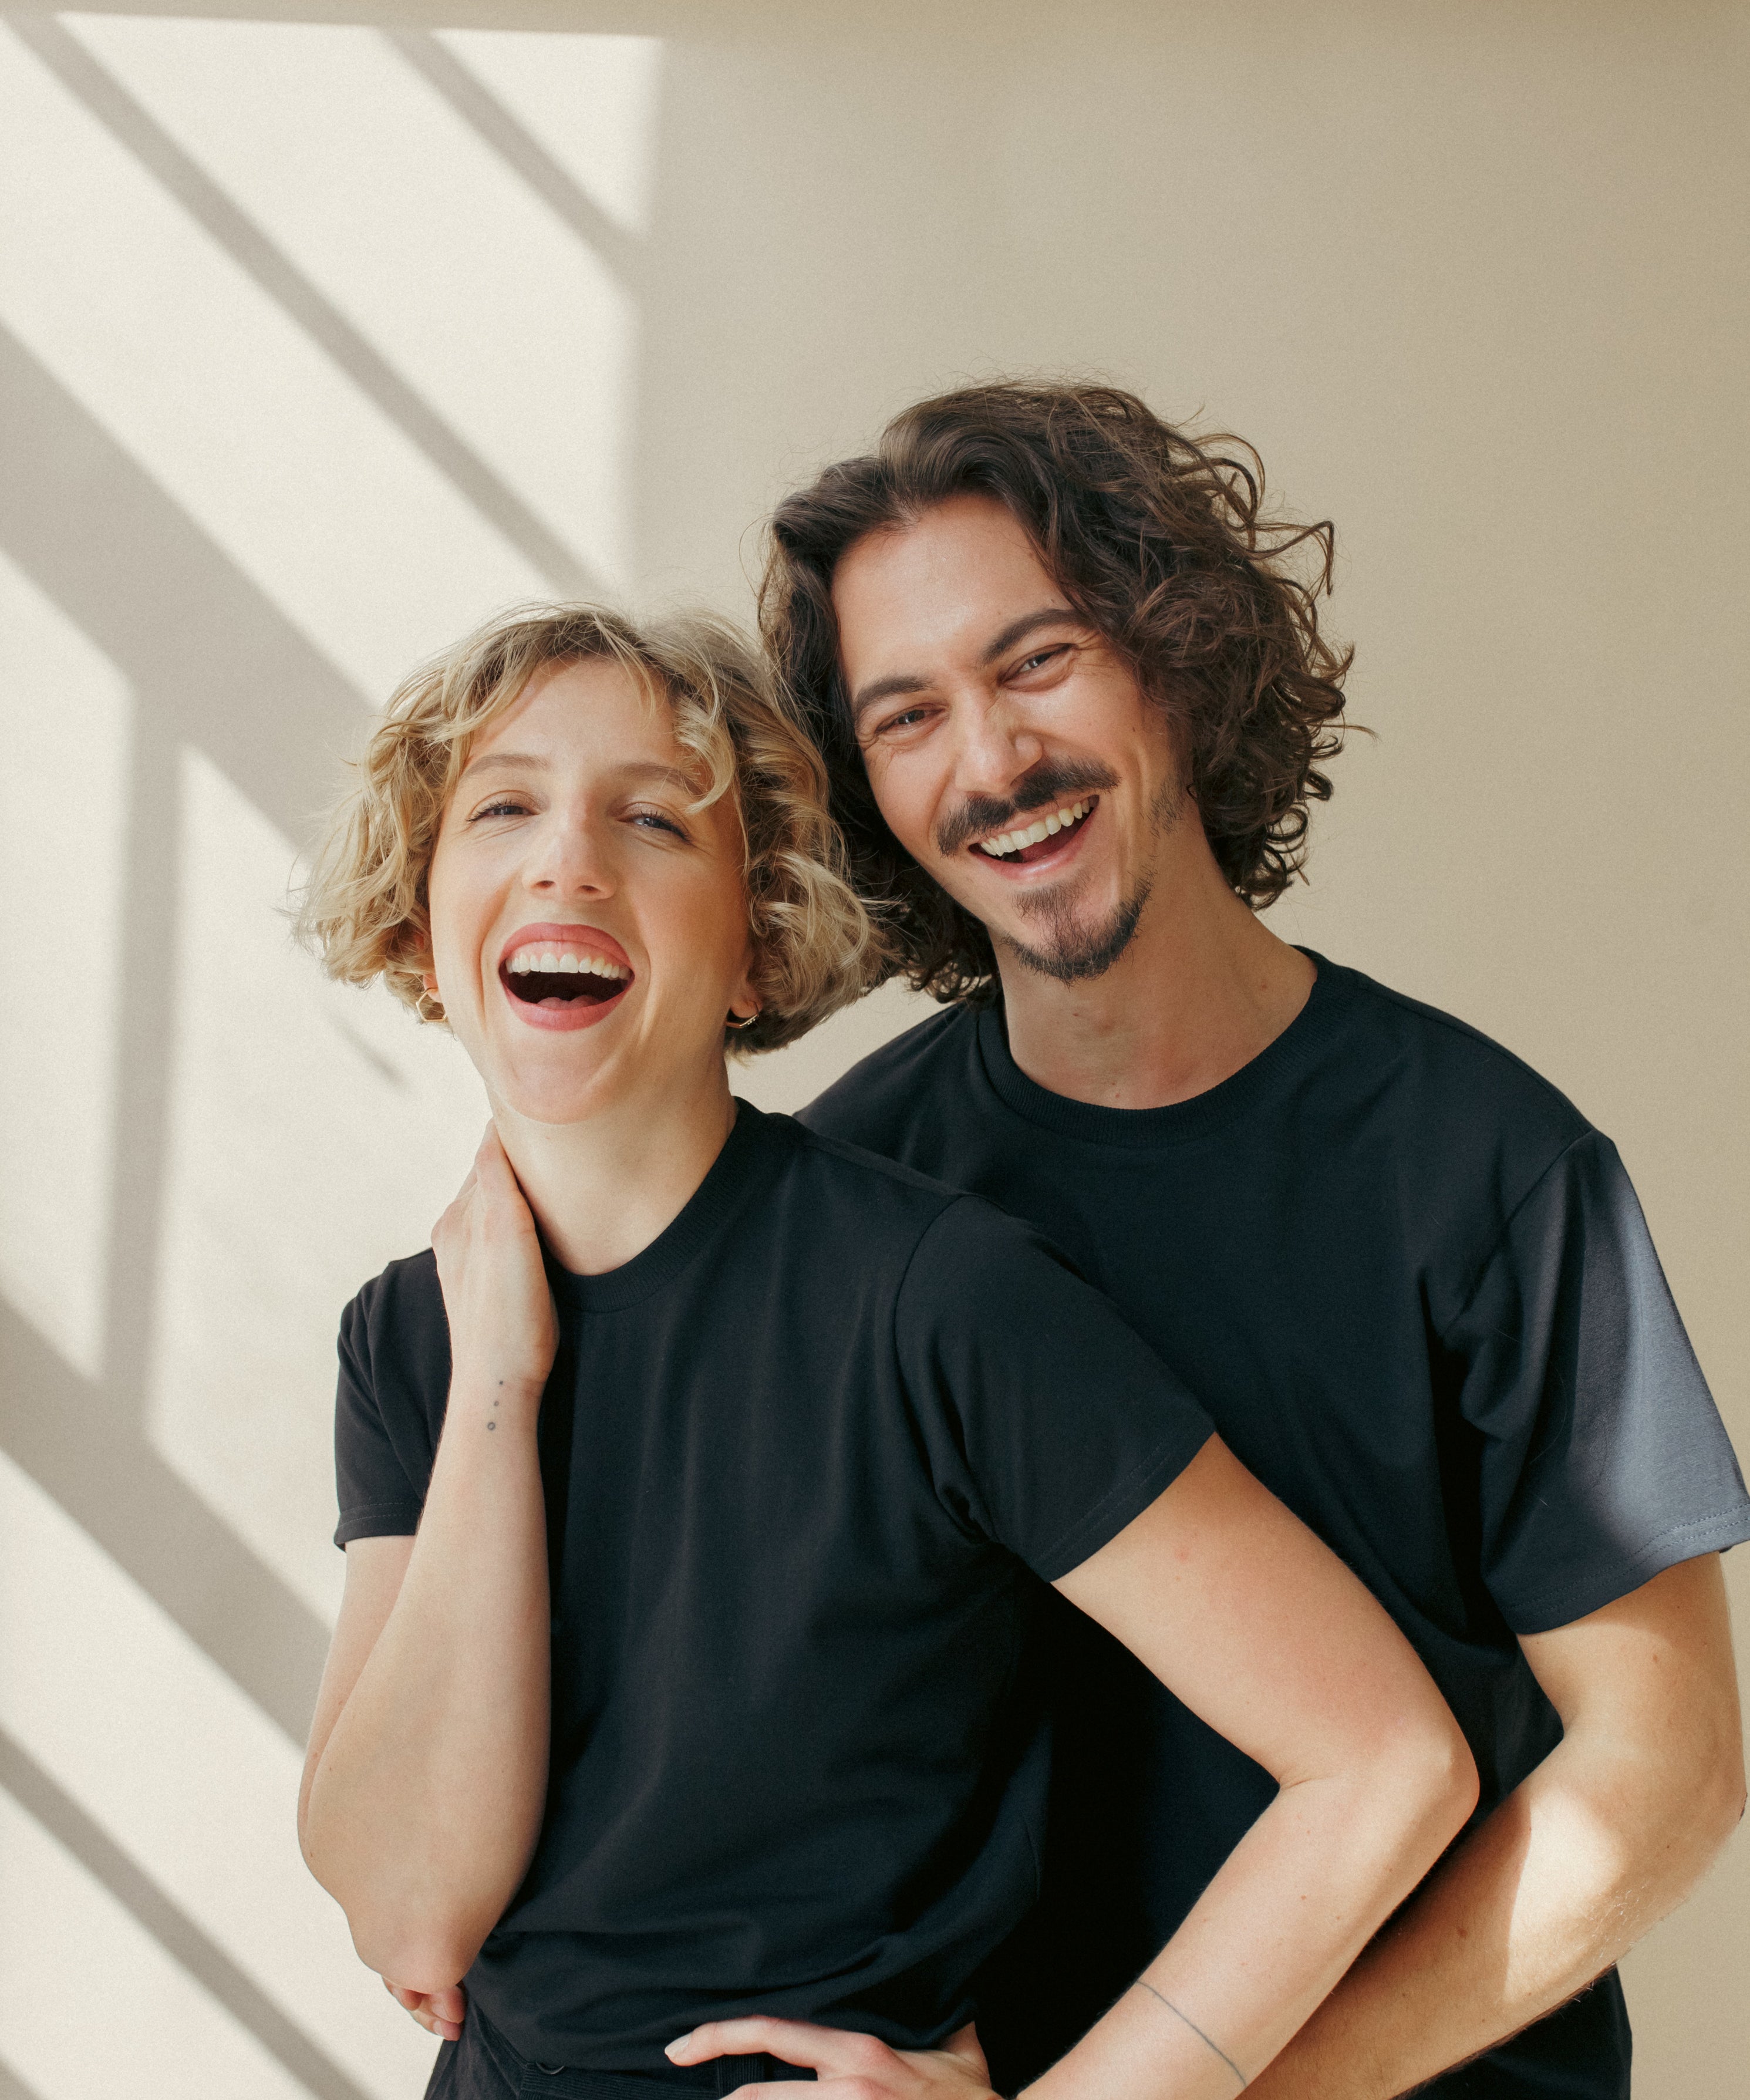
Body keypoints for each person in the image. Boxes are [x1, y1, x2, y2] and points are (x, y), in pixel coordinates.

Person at [294, 604, 1476, 2100]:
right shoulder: (409, 1338)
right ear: (420, 929)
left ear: (759, 942)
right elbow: (408, 1911)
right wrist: (496, 1385)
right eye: (504, 807)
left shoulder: (938, 1301)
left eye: (654, 818)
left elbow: (1383, 1760)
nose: (567, 860)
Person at [758, 383, 1750, 2100]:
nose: (989, 762)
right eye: (906, 715)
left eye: (1037, 661)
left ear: (1175, 655)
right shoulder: (847, 1192)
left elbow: (1662, 1771)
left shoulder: (1484, 1168)